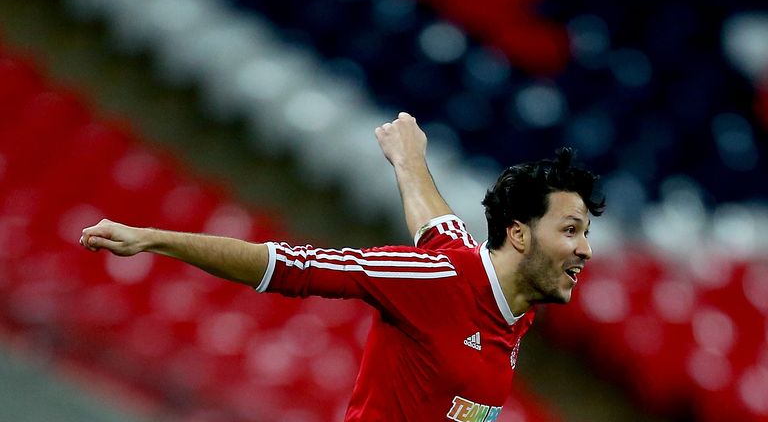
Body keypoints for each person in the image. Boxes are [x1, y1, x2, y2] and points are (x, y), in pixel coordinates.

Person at [80, 112, 605, 421]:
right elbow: (289, 266)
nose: (585, 249)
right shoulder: (436, 282)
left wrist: (409, 159)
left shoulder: (512, 308)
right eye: (570, 230)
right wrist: (153, 239)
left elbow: (437, 223)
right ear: (517, 233)